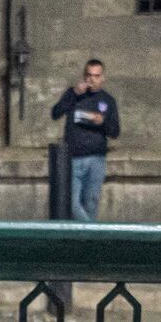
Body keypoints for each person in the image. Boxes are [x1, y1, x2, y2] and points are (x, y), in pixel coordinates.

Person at [51, 58, 120, 222]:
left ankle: (86, 242)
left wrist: (102, 122)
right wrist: (74, 93)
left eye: (96, 76)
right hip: (74, 157)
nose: (92, 79)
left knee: (91, 203)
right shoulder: (73, 95)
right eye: (89, 75)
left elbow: (115, 132)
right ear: (84, 76)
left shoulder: (108, 101)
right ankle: (94, 234)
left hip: (96, 158)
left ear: (102, 78)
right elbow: (55, 113)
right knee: (72, 204)